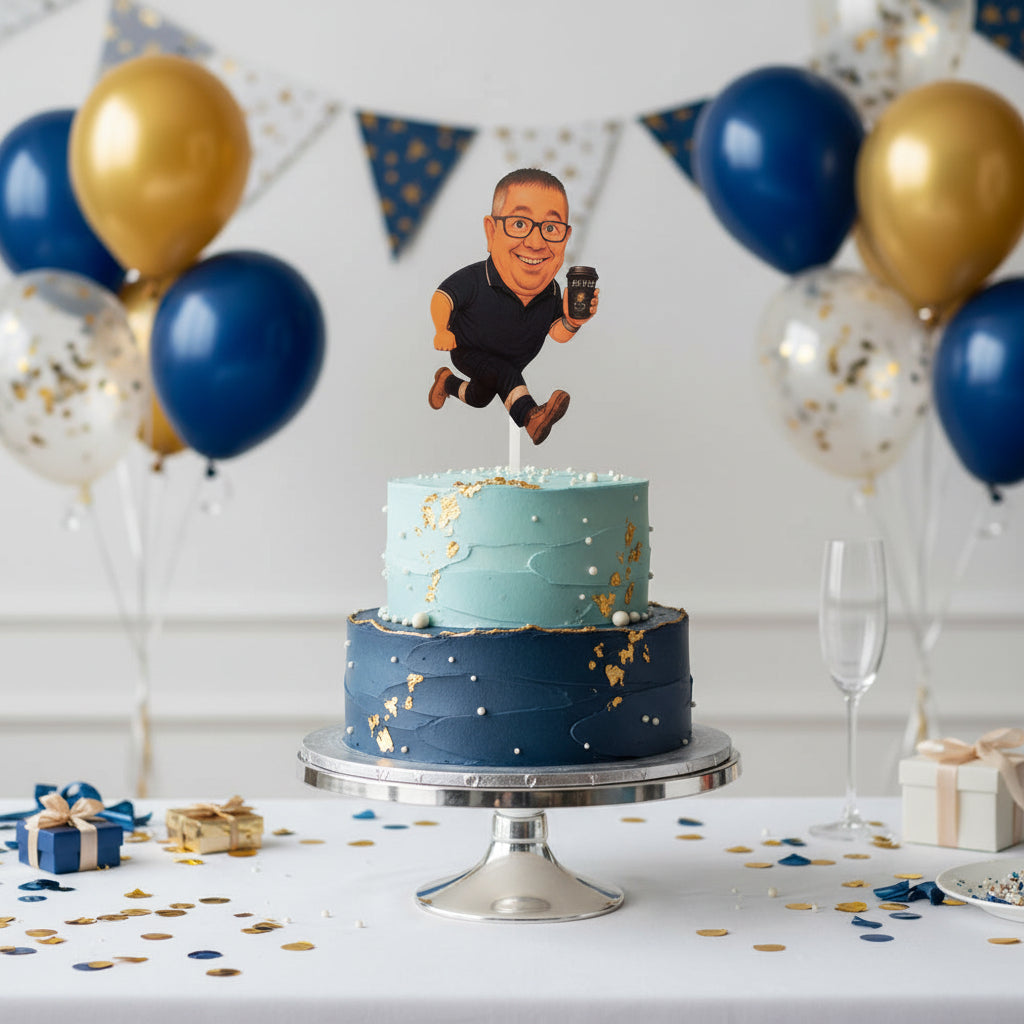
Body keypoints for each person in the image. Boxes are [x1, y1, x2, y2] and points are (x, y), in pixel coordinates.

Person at [427, 168, 599, 444]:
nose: (535, 242)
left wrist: (572, 322)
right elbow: (442, 297)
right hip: (469, 351)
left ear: (565, 239)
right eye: (519, 224)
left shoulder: (553, 291)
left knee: (480, 397)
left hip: (513, 362)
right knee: (502, 372)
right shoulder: (476, 278)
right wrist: (441, 329)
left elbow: (557, 334)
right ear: (491, 232)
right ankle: (531, 416)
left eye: (551, 228)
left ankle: (446, 381)